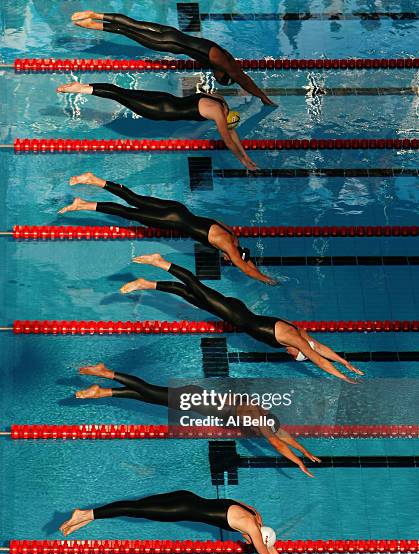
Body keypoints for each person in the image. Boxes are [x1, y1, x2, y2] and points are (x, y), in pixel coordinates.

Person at [120, 254, 364, 383]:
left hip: (237, 312)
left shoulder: (302, 336)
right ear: (297, 351)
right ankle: (160, 262)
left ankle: (147, 284)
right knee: (195, 287)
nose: (291, 356)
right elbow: (320, 359)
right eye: (296, 356)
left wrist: (347, 364)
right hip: (234, 313)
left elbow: (321, 348)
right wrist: (341, 376)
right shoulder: (294, 339)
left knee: (192, 298)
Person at [75, 362, 321, 477]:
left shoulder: (265, 418)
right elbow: (277, 443)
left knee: (151, 398)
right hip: (194, 400)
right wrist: (297, 463)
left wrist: (304, 452)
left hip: (196, 401)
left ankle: (103, 391)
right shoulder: (257, 419)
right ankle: (107, 372)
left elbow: (282, 435)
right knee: (149, 391)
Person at [59, 489, 303, 554]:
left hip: (185, 495)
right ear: (255, 537)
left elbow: (272, 549)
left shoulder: (254, 515)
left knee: (136, 505)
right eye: (250, 541)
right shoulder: (250, 528)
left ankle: (89, 516)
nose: (247, 541)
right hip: (181, 511)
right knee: (135, 511)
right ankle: (86, 514)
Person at [59, 172, 275, 284]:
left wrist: (252, 264)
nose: (228, 260)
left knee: (134, 198)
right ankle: (83, 205)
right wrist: (267, 280)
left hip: (178, 210)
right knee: (128, 213)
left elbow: (244, 259)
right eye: (231, 259)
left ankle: (93, 180)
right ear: (234, 255)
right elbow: (245, 267)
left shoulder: (231, 236)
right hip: (172, 220)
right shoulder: (228, 246)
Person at [70, 11, 275, 105]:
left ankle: (94, 14)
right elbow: (245, 80)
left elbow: (243, 77)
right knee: (127, 32)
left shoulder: (224, 56)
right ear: (223, 74)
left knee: (133, 23)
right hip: (167, 43)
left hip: (172, 33)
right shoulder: (225, 65)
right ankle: (94, 24)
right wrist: (262, 97)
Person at [56, 83, 258, 170]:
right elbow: (228, 139)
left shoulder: (220, 101)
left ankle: (84, 87)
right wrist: (242, 159)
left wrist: (246, 156)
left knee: (121, 91)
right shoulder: (216, 113)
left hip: (163, 98)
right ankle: (82, 89)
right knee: (120, 95)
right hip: (158, 110)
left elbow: (232, 133)